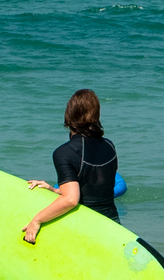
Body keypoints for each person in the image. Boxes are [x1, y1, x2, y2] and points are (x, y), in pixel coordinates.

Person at [23, 88, 120, 243]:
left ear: (69, 115)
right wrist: (54, 190)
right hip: (113, 226)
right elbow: (94, 188)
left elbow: (71, 200)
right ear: (96, 115)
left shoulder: (64, 152)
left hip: (85, 228)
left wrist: (37, 220)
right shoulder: (109, 145)